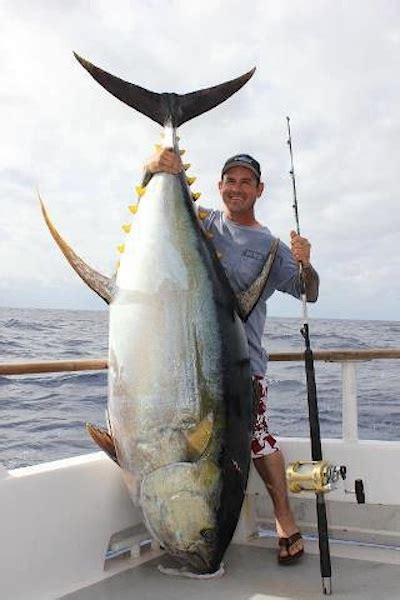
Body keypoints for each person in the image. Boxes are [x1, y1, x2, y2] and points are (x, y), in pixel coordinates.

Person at [144, 148, 320, 565]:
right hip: (190, 362)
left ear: (259, 190)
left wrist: (305, 263)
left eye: (246, 182)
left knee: (257, 439)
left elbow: (308, 291)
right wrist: (153, 168)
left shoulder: (272, 247)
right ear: (220, 186)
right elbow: (154, 198)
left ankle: (284, 521)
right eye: (230, 181)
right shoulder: (201, 221)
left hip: (243, 365)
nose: (237, 188)